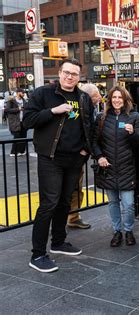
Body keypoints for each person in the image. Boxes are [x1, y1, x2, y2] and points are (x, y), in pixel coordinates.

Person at [23, 58, 94, 273]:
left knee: (64, 202)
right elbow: (28, 120)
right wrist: (53, 111)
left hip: (74, 158)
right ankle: (37, 254)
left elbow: (89, 124)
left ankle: (58, 242)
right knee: (49, 203)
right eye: (66, 72)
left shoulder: (83, 97)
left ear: (79, 77)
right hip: (50, 158)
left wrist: (85, 149)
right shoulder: (43, 94)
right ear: (59, 73)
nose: (70, 76)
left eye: (74, 74)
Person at [92, 85, 139, 247]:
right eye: (114, 97)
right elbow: (94, 141)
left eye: (120, 97)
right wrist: (99, 156)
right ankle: (116, 231)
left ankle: (128, 230)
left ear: (126, 100)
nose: (117, 100)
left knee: (128, 204)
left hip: (127, 167)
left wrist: (132, 133)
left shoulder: (135, 117)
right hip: (108, 167)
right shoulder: (101, 118)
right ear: (109, 99)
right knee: (113, 202)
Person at [67, 83, 102, 229]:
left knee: (77, 187)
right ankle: (62, 220)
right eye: (96, 95)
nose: (99, 97)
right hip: (70, 156)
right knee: (66, 190)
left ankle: (74, 216)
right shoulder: (77, 108)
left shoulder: (93, 108)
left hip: (80, 156)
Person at [5, 88, 28, 157]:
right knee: (17, 136)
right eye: (22, 93)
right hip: (15, 122)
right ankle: (13, 152)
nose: (23, 94)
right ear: (18, 93)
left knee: (23, 136)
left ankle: (22, 151)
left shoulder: (24, 101)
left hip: (23, 121)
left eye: (24, 93)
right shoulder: (11, 101)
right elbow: (7, 110)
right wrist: (18, 109)